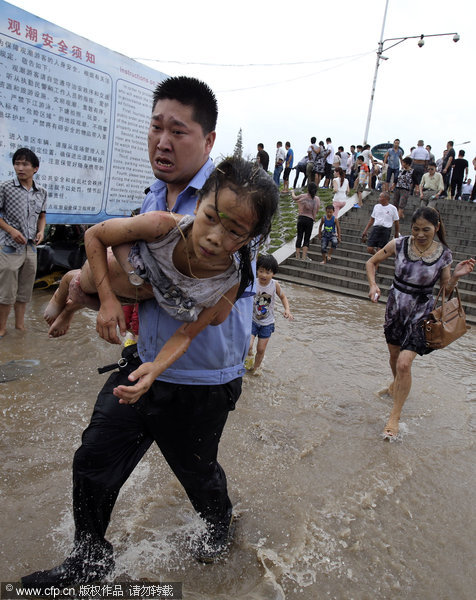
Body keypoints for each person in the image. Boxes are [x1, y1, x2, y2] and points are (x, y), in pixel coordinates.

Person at [21, 76, 272, 591]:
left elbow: (208, 297)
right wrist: (102, 296)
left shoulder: (232, 206)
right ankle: (89, 562)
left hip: (200, 380)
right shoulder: (155, 198)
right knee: (93, 459)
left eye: (177, 131)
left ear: (208, 139)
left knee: (197, 474)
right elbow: (120, 256)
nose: (162, 140)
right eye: (156, 127)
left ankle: (220, 528)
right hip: (141, 360)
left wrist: (138, 288)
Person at [43, 160, 279, 389]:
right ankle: (63, 294)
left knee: (102, 302)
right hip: (114, 269)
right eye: (209, 218)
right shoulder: (162, 225)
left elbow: (185, 335)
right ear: (197, 206)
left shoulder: (227, 284)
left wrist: (155, 367)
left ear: (251, 239)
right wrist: (107, 300)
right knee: (80, 282)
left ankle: (76, 305)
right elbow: (94, 235)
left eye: (235, 232)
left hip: (141, 292)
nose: (215, 237)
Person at [366, 207, 475, 439]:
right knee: (395, 357)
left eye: (426, 229)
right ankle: (396, 386)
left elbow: (446, 290)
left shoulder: (444, 254)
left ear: (436, 227)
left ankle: (394, 417)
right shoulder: (399, 244)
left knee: (405, 363)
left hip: (421, 313)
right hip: (396, 309)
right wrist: (373, 285)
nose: (420, 234)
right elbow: (371, 262)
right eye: (416, 229)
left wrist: (455, 276)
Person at [0, 148, 47, 338]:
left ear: (35, 168)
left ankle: (20, 326)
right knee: (6, 290)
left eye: (25, 164)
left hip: (30, 247)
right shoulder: (5, 187)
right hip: (10, 246)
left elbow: (42, 216)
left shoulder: (41, 192)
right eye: (17, 163)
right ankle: (1, 328)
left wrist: (41, 231)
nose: (20, 168)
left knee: (25, 290)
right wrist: (11, 230)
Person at [245, 254, 293, 374]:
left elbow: (283, 296)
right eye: (261, 271)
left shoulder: (274, 285)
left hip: (267, 323)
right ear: (257, 271)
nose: (263, 275)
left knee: (260, 349)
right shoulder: (253, 283)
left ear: (273, 273)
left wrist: (287, 309)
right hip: (252, 320)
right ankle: (249, 356)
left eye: (267, 272)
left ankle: (255, 369)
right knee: (248, 345)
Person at [292, 182, 320, 261]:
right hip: (309, 220)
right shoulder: (316, 199)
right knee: (306, 238)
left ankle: (297, 255)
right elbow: (316, 210)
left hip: (301, 218)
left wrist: (292, 192)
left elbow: (294, 198)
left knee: (299, 236)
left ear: (308, 189)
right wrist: (314, 218)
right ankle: (304, 257)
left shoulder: (303, 196)